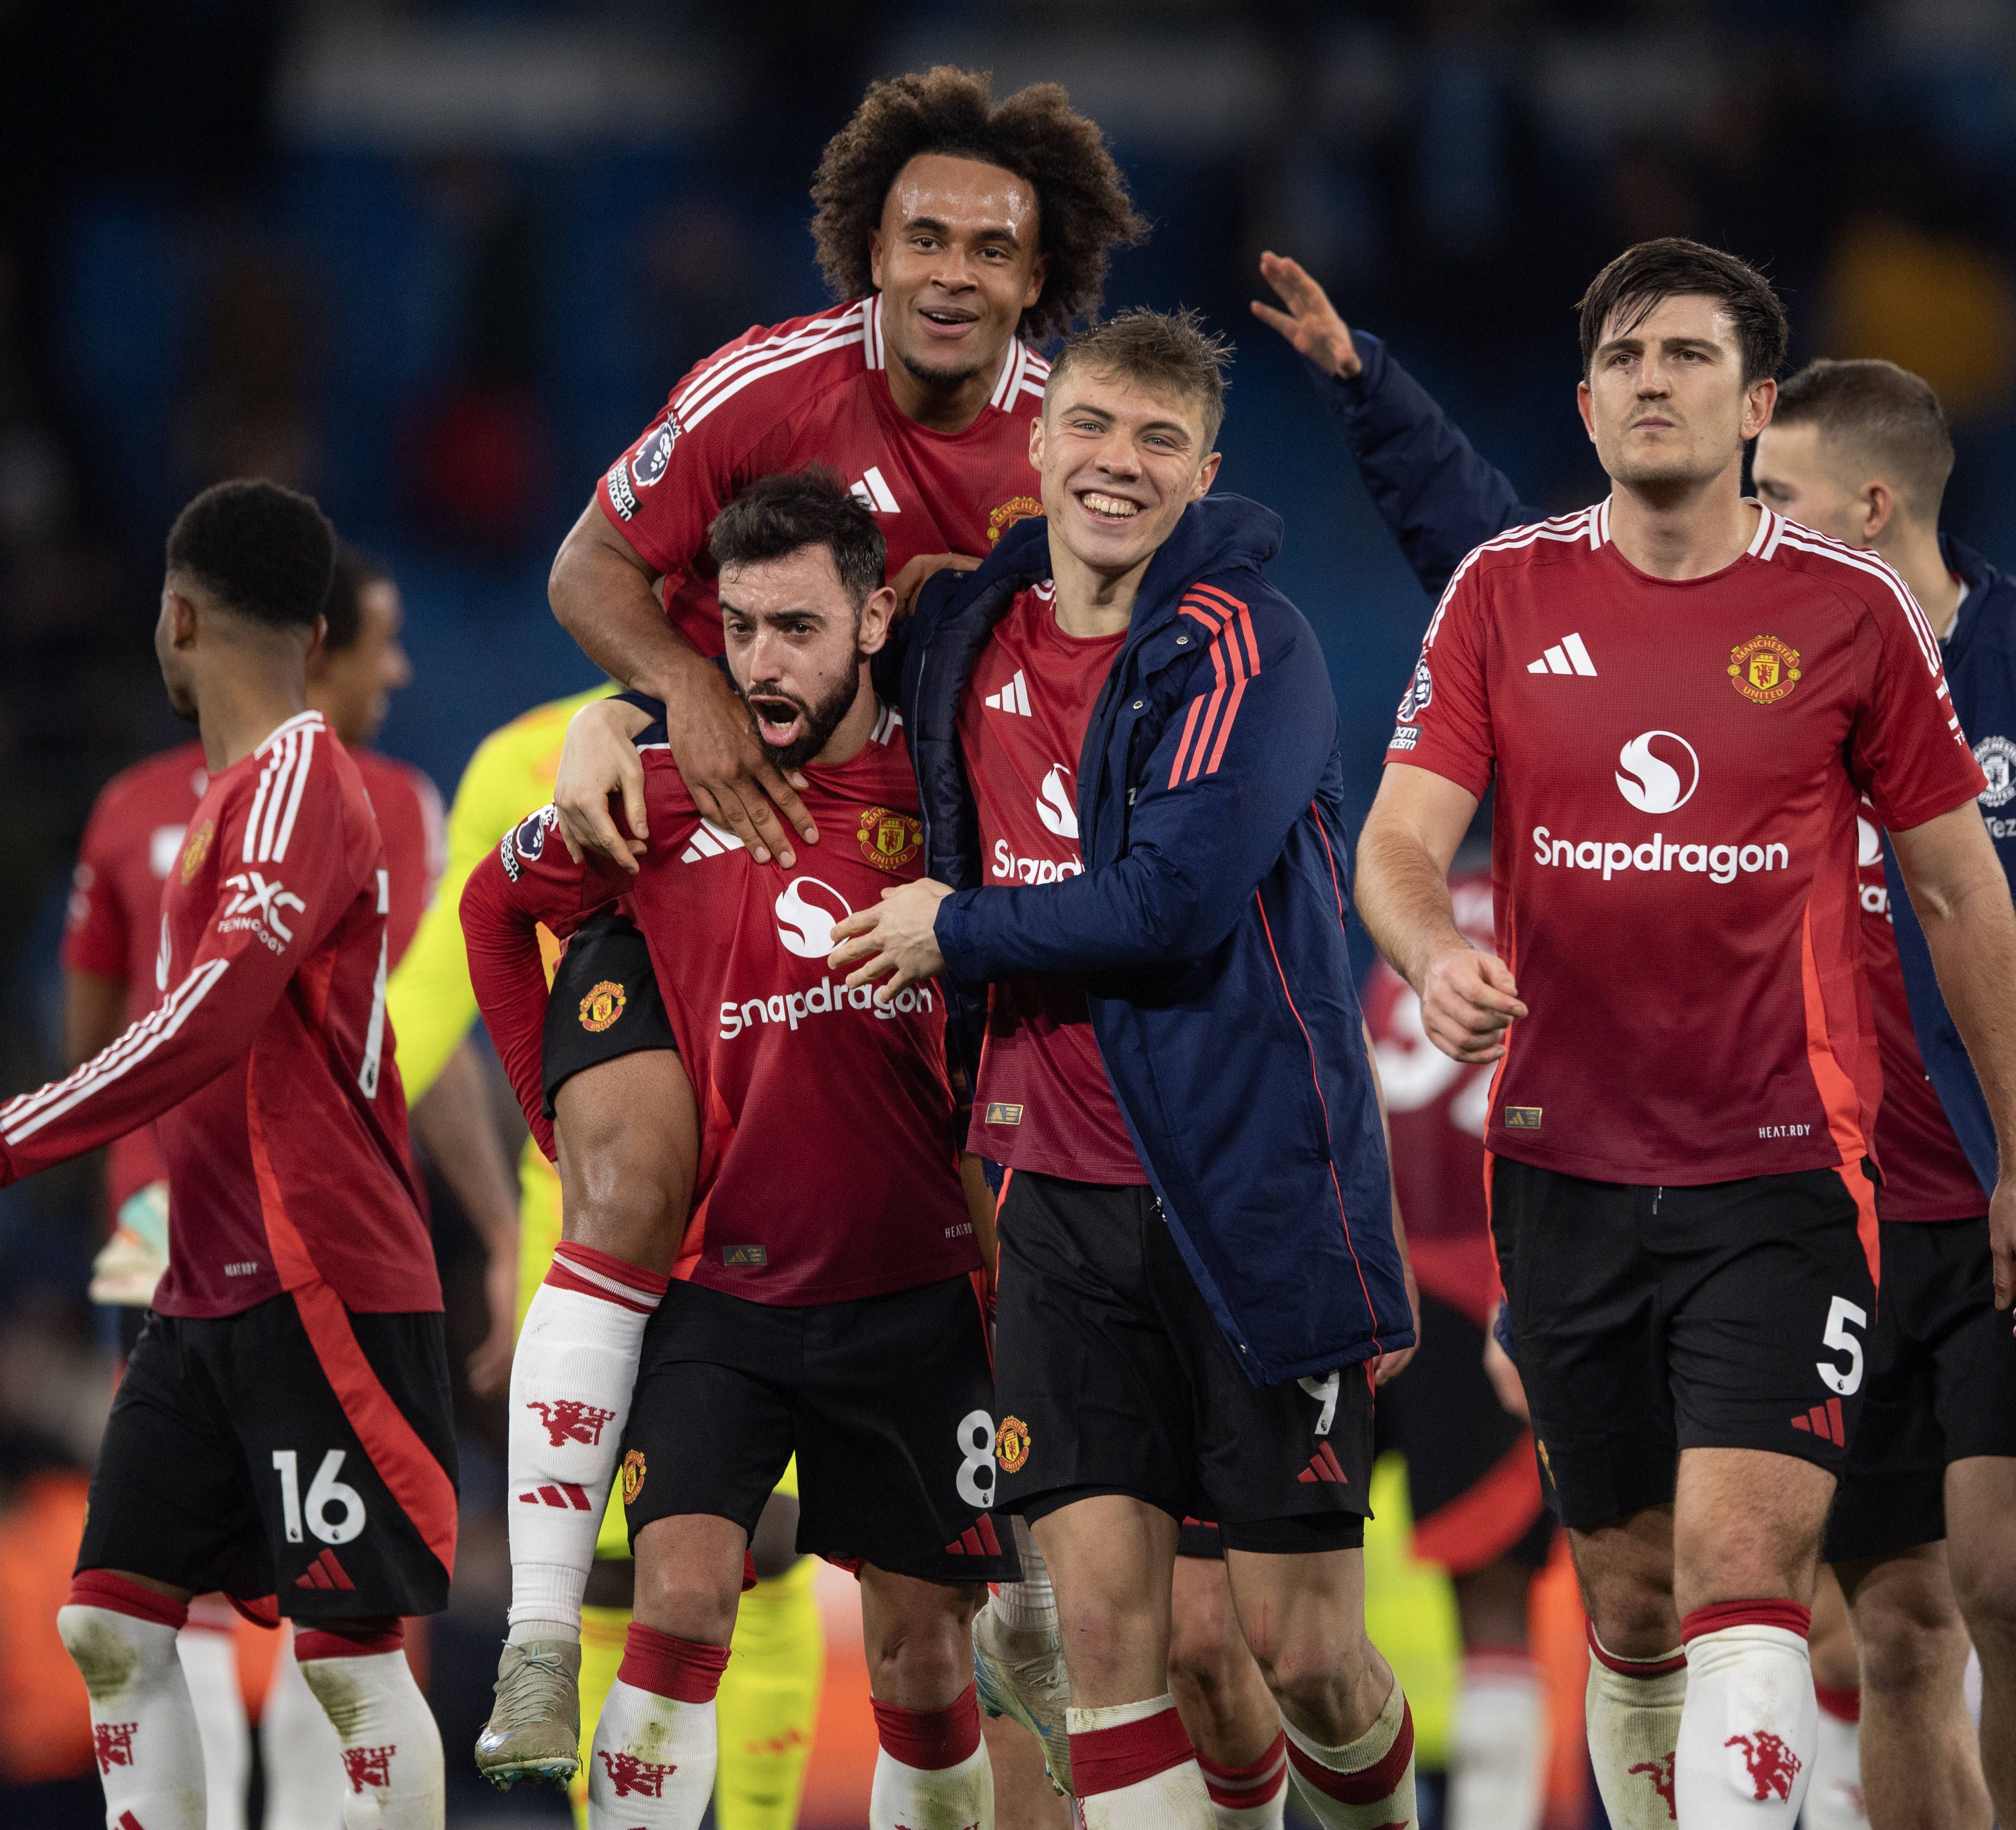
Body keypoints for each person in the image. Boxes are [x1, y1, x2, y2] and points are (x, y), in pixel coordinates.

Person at [1262, 245, 2016, 1830]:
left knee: (1899, 1579)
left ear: (1754, 411)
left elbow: (1987, 903)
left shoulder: (1905, 634)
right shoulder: (1507, 592)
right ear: (1589, 394)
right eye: (1623, 355)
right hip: (1569, 1175)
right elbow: (1395, 842)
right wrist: (1428, 945)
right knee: (1665, 1604)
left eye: (1688, 355)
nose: (1651, 379)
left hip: (1803, 1178)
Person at [483, 64, 1145, 1779]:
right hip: (701, 824)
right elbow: (582, 573)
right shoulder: (761, 386)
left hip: (935, 864)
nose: (946, 269)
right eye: (917, 233)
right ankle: (542, 1631)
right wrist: (670, 694)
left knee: (1006, 1199)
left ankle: (1026, 1569)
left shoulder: (1071, 432)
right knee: (630, 1168)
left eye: (987, 248)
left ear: (1035, 272)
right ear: (865, 244)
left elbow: (1144, 656)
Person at [819, 306, 1418, 1830]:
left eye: (1158, 440)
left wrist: (952, 926)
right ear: (1039, 442)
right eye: (1091, 425)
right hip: (1059, 1207)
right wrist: (619, 726)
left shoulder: (1245, 646)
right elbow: (785, 678)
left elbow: (1172, 905)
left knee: (1294, 1655)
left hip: (1252, 1203)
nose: (1116, 463)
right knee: (1108, 1652)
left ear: (1200, 471)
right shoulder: (963, 630)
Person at [0, 479, 456, 1830]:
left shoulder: (305, 781)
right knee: (112, 1626)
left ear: (176, 619)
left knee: (349, 1660)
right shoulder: (221, 799)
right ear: (319, 630)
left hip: (322, 1280)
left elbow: (202, 1022)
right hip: (200, 1278)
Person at [463, 469, 1014, 1830]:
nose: (760, 666)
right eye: (740, 630)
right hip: (723, 1300)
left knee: (922, 1654)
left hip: (916, 1293)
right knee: (682, 1600)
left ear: (874, 619)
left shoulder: (951, 791)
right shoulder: (655, 798)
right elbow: (490, 907)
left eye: (796, 630)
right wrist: (551, 1123)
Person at [56, 540, 506, 1829]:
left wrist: (482, 1222)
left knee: (284, 1596)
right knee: (195, 1590)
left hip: (263, 1240)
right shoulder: (173, 808)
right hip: (225, 1243)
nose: (401, 668)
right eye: (382, 641)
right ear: (313, 645)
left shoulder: (340, 803)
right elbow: (97, 1044)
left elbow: (400, 1028)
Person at [383, 684, 834, 1827]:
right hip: (768, 1203)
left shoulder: (522, 751)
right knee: (763, 1551)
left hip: (587, 1219)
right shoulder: (792, 721)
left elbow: (416, 1024)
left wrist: (499, 1209)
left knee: (619, 1577)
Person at [1361, 896, 1560, 1830]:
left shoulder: (1379, 906)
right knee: (1496, 1612)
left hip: (1360, 1272)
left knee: (1271, 1603)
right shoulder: (1550, 897)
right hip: (1484, 1280)